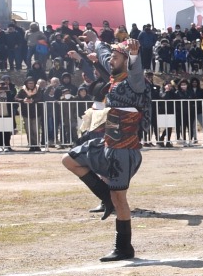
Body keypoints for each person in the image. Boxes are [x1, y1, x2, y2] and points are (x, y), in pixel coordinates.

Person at [61, 38, 153, 261]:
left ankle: (124, 247)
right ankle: (105, 198)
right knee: (69, 159)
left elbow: (136, 70)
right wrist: (96, 41)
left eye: (115, 57)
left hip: (124, 150)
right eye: (111, 57)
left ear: (126, 60)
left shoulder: (135, 83)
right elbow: (103, 55)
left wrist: (133, 53)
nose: (110, 60)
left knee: (120, 199)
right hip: (107, 144)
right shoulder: (114, 80)